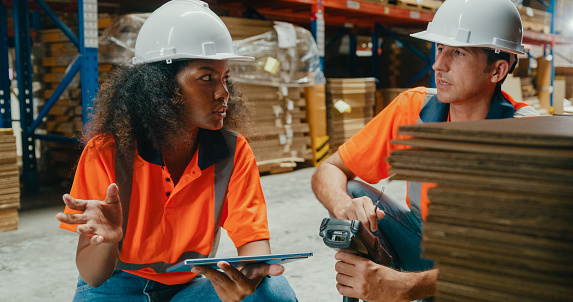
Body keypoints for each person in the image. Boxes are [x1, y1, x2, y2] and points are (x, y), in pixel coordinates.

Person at [55, 1, 297, 301]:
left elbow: (254, 243)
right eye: (206, 77)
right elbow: (93, 275)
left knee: (273, 293)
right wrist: (110, 239)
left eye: (225, 78)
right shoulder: (107, 152)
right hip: (116, 284)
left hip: (191, 286)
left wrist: (249, 276)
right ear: (162, 86)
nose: (224, 92)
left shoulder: (233, 153)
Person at [311, 0, 539, 301]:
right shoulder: (415, 109)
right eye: (440, 48)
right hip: (426, 244)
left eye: (458, 53)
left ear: (497, 70)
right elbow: (328, 170)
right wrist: (343, 207)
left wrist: (407, 286)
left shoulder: (527, 137)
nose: (438, 65)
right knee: (352, 193)